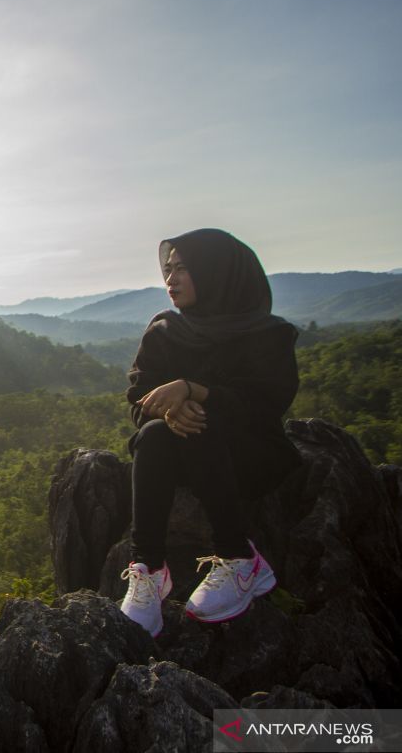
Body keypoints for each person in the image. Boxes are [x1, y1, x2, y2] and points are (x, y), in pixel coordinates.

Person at [118, 228, 301, 637]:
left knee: (200, 421)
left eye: (183, 268)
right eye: (167, 269)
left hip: (249, 455)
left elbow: (266, 403)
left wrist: (194, 390)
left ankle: (240, 559)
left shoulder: (267, 335)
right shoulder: (165, 332)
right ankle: (149, 569)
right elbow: (139, 401)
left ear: (217, 272)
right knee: (152, 436)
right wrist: (167, 413)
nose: (171, 278)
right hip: (185, 455)